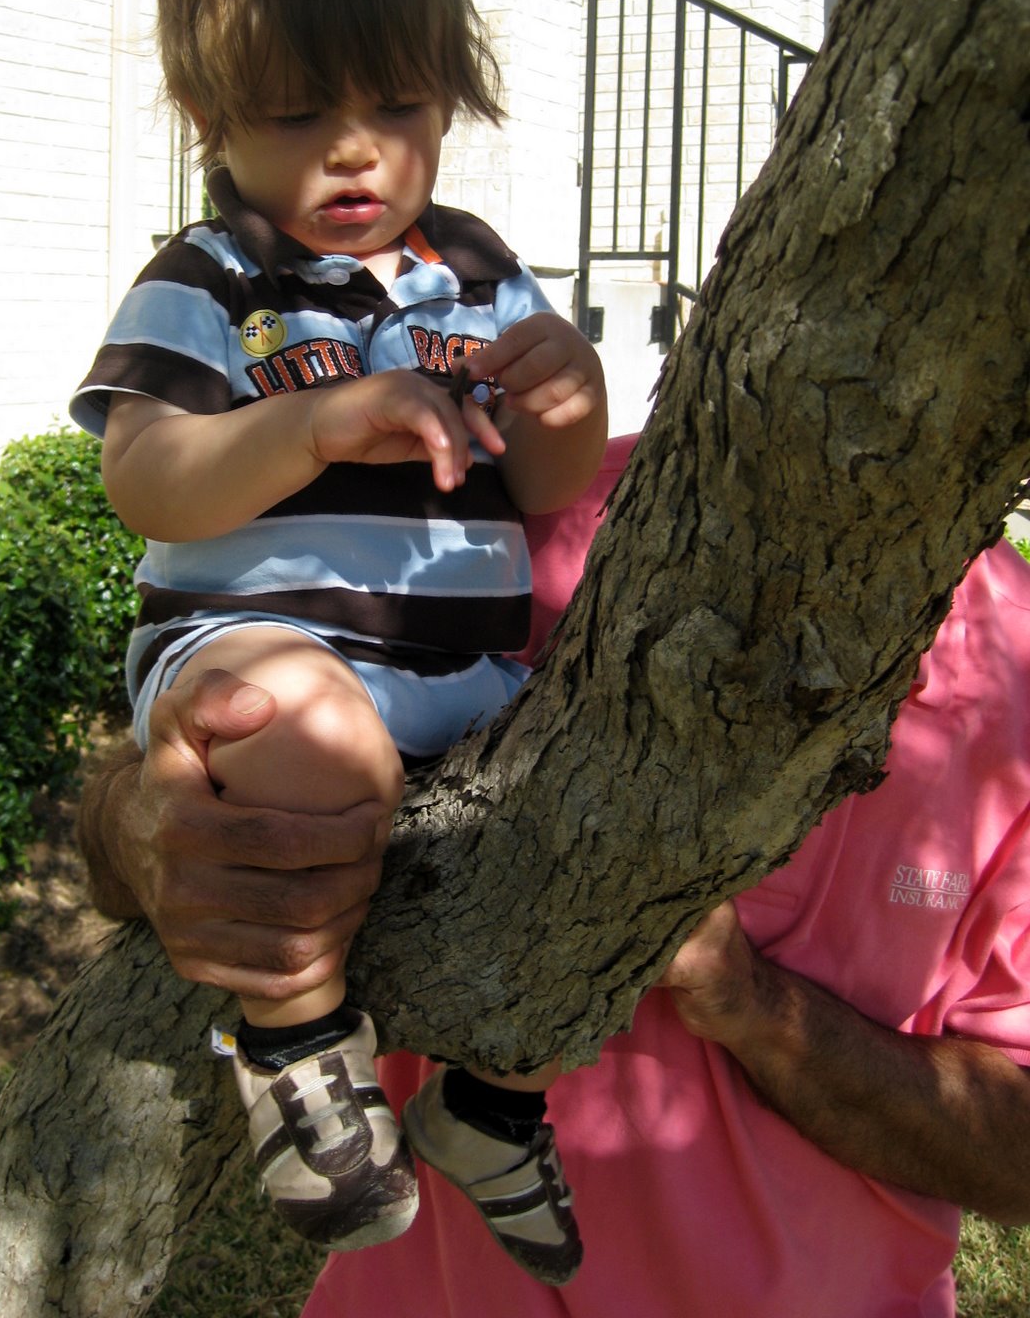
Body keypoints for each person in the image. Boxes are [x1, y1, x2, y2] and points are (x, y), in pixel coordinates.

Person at [79, 435, 1030, 1317]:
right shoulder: (522, 517)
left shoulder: (1018, 673)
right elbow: (243, 716)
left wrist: (753, 1003)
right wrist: (135, 824)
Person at [70, 0, 606, 1282]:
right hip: (263, 654)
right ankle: (295, 1046)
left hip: (468, 690)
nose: (357, 147)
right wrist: (309, 425)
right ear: (213, 115)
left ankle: (494, 1107)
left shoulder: (476, 270)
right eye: (303, 110)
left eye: (401, 102)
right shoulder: (212, 278)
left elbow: (545, 485)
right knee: (305, 733)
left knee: (601, 817)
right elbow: (143, 476)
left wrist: (568, 401)